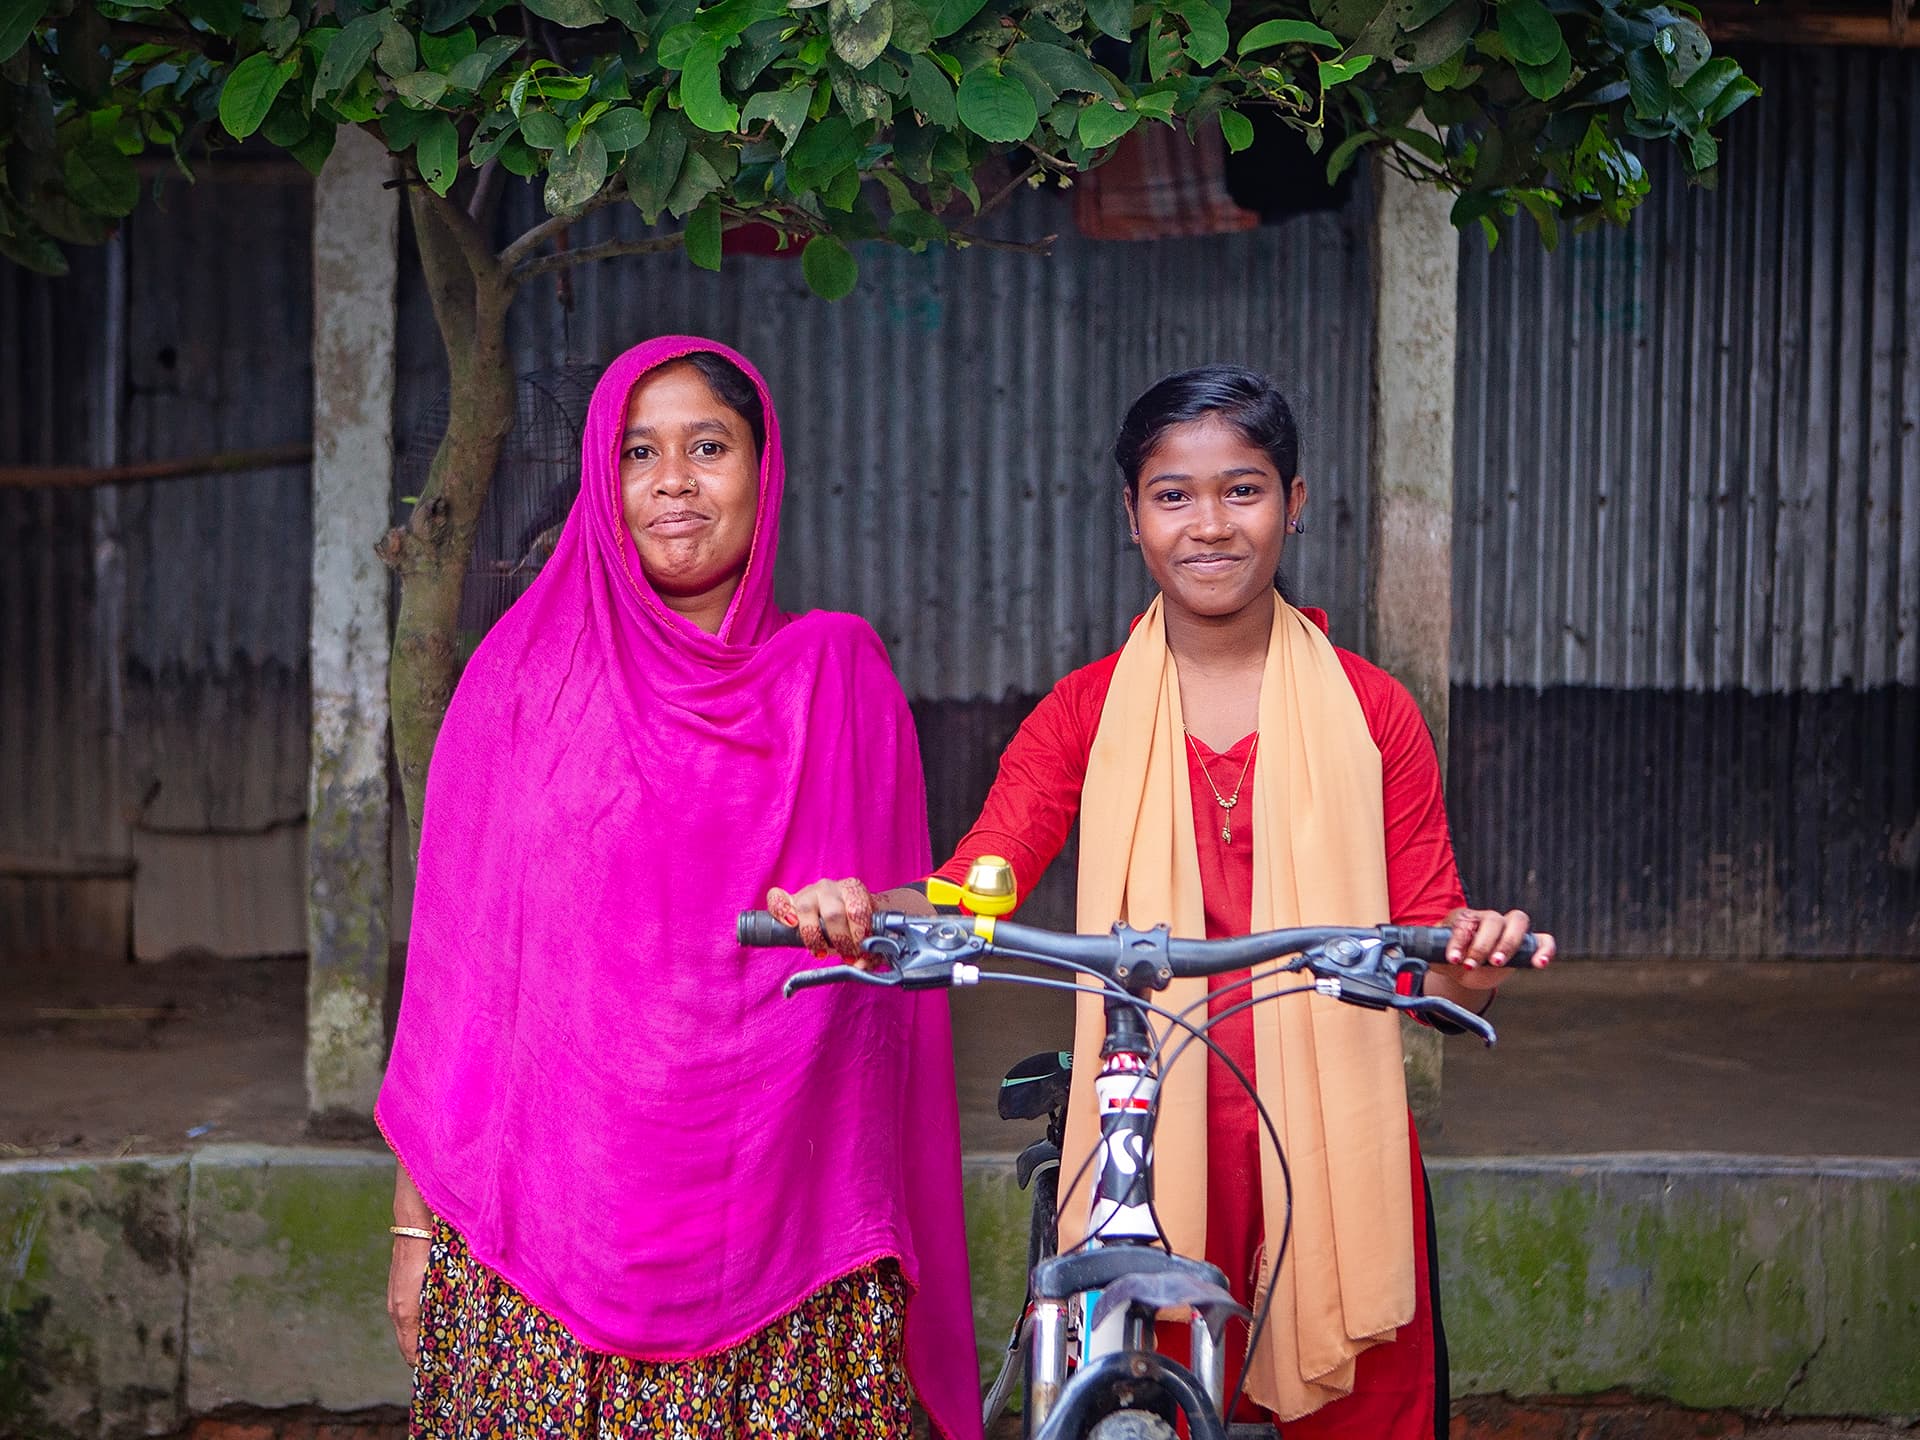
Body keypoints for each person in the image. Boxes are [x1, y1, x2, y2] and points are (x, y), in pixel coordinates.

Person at [774, 365, 1555, 1440]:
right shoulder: (1084, 713)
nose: (1211, 526)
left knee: (1370, 1409)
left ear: (1295, 502)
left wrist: (1474, 957)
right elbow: (978, 887)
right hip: (1143, 1124)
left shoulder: (1375, 714)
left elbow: (1430, 956)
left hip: (1332, 1136)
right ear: (1132, 516)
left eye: (1243, 490)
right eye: (1173, 494)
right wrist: (868, 912)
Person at [377, 336, 982, 1440]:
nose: (673, 484)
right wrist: (414, 1228)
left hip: (786, 1234)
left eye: (709, 447)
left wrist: (861, 914)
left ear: (764, 466)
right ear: (604, 485)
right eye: (636, 453)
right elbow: (460, 984)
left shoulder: (835, 674)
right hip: (540, 1234)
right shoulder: (520, 680)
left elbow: (913, 932)